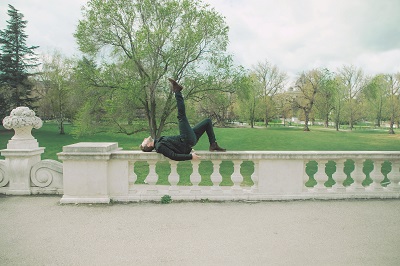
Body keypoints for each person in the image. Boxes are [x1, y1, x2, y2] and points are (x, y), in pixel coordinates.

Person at [140, 78, 226, 161]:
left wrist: (188, 149)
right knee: (181, 116)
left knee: (207, 122)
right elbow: (173, 156)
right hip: (186, 139)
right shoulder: (159, 147)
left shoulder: (158, 141)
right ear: (148, 145)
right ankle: (177, 91)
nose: (144, 139)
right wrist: (190, 156)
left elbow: (175, 147)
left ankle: (213, 144)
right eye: (144, 141)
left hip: (190, 139)